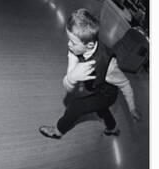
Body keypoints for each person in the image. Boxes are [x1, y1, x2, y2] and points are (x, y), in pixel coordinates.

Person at [39, 9, 141, 139]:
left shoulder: (110, 66)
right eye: (69, 39)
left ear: (90, 45)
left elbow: (125, 84)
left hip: (107, 95)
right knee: (102, 110)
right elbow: (68, 85)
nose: (68, 45)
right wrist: (72, 77)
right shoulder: (76, 48)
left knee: (76, 107)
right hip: (96, 86)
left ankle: (58, 131)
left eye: (73, 42)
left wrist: (132, 108)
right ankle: (112, 128)